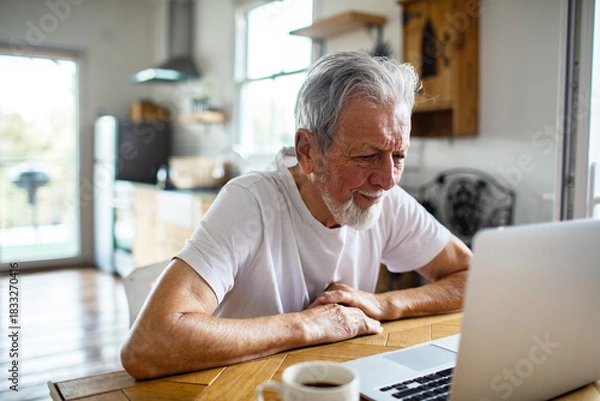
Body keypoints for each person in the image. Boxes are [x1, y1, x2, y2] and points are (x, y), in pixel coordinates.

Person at [120, 51, 472, 380]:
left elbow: (471, 277)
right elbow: (148, 345)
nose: (388, 179)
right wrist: (309, 325)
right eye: (366, 155)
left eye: (399, 156)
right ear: (308, 152)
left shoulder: (385, 199)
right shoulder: (251, 202)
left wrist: (384, 304)